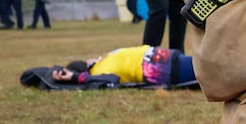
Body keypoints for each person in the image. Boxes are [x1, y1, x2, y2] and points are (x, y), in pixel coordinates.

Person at [49, 44, 196, 86]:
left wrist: (76, 78)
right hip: (166, 56)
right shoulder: (105, 58)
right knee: (209, 66)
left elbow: (112, 80)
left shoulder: (99, 71)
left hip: (165, 70)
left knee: (211, 72)